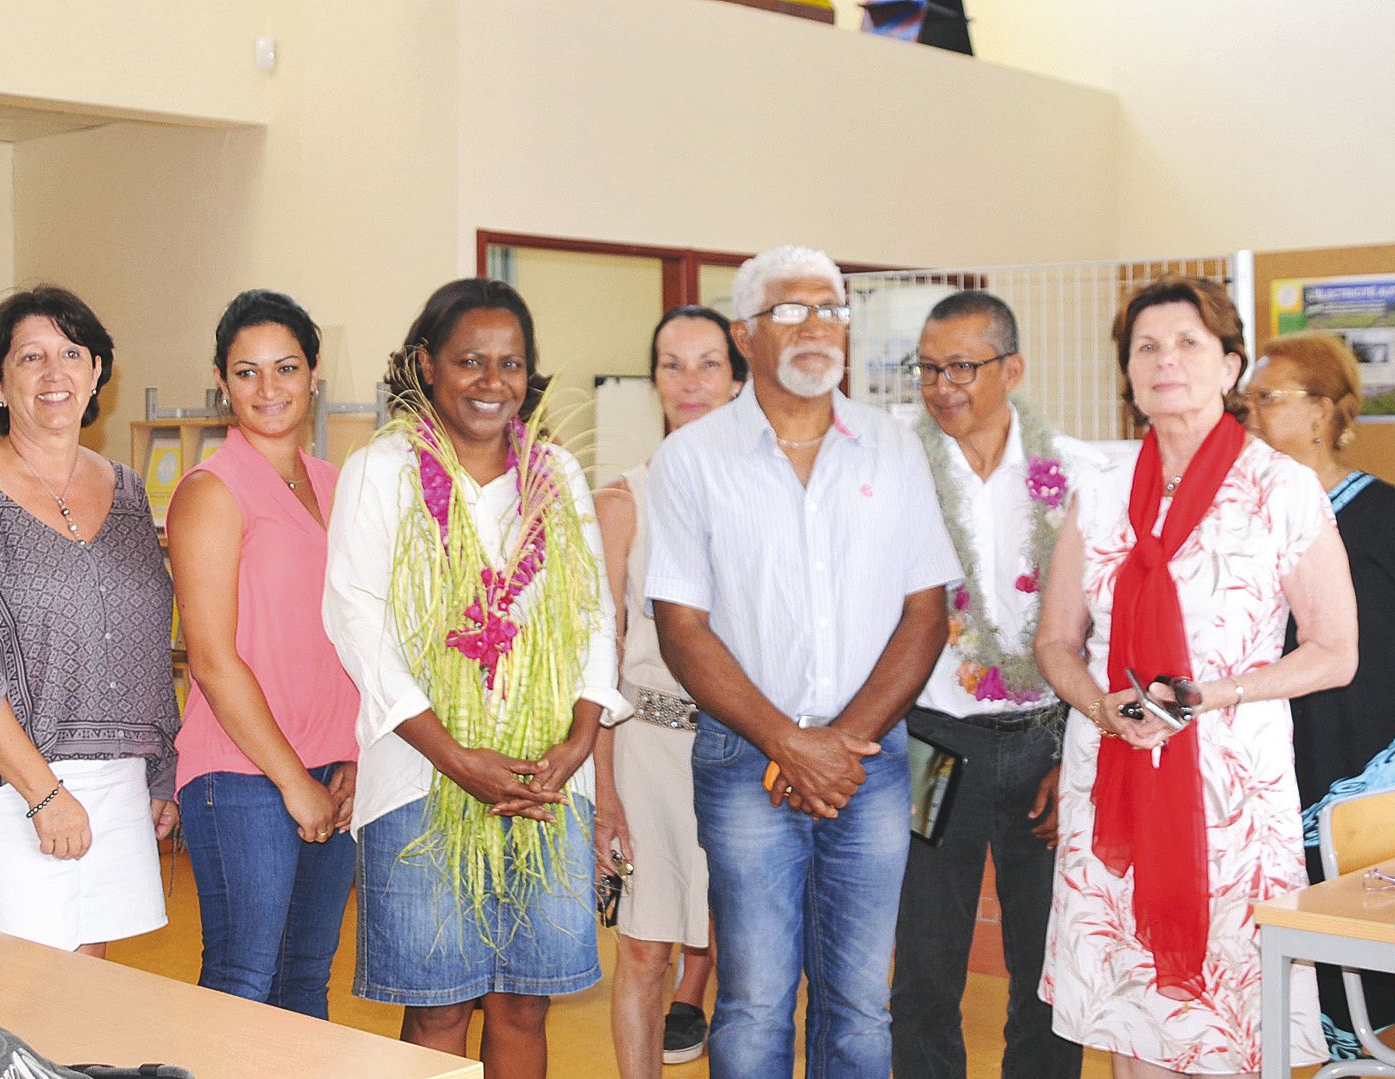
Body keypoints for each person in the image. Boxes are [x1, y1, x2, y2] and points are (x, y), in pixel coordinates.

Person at [647, 245, 961, 1078]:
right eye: (791, 310)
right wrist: (788, 741)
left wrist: (838, 745)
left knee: (860, 1002)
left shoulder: (894, 448)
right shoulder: (692, 459)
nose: (817, 327)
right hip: (743, 758)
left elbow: (925, 614)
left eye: (831, 309)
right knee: (752, 999)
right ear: (746, 334)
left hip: (871, 763)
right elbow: (681, 628)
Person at [1033, 276, 1358, 1078]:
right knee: (1129, 1007)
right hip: (1112, 782)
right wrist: (1101, 706)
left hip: (1230, 797)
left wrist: (1213, 693)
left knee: (1230, 1017)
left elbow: (1334, 650)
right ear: (1128, 372)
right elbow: (1055, 642)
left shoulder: (1279, 489)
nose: (1164, 360)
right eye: (1145, 346)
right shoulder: (1100, 492)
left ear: (1229, 365)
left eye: (1186, 343)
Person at [323, 277, 627, 1079]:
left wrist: (579, 740)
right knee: (438, 1004)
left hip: (544, 781)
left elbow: (593, 615)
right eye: (469, 361)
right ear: (426, 364)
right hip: (420, 778)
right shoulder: (381, 471)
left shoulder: (555, 474)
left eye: (510, 363)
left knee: (526, 1000)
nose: (492, 382)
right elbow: (357, 621)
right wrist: (455, 756)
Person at [0, 285, 179, 956]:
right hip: (6, 781)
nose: (55, 373)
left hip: (115, 778)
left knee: (89, 990)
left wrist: (156, 772)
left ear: (95, 374)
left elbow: (141, 644)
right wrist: (43, 792)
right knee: (27, 995)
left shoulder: (129, 491)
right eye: (30, 357)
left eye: (72, 353)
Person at [891, 290, 1101, 1079]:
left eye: (962, 367)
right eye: (927, 369)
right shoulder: (897, 470)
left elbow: (1099, 626)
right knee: (924, 957)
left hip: (1048, 738)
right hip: (931, 739)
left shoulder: (1074, 473)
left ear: (1010, 368)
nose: (943, 385)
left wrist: (1078, 751)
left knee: (1048, 962)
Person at [1244, 330, 1395, 1056]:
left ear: (1319, 411)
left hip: (1360, 757)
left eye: (1264, 397)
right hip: (1260, 756)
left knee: (1363, 936)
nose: (1246, 410)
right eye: (1243, 397)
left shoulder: (1386, 513)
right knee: (1266, 932)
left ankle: (1363, 1054)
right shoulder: (1238, 513)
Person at [170, 289, 360, 1017]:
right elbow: (212, 658)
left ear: (314, 374)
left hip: (329, 765)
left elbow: (357, 635)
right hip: (244, 776)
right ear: (222, 381)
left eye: (285, 367)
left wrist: (352, 754)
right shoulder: (211, 490)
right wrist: (292, 780)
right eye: (246, 371)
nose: (268, 387)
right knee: (244, 980)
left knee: (305, 978)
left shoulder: (337, 486)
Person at [592, 304, 745, 1075]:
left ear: (736, 376)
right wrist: (602, 791)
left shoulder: (770, 496)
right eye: (671, 364)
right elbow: (600, 658)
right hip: (646, 750)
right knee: (645, 948)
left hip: (746, 749)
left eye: (707, 364)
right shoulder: (621, 502)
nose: (690, 382)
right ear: (652, 378)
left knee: (751, 952)